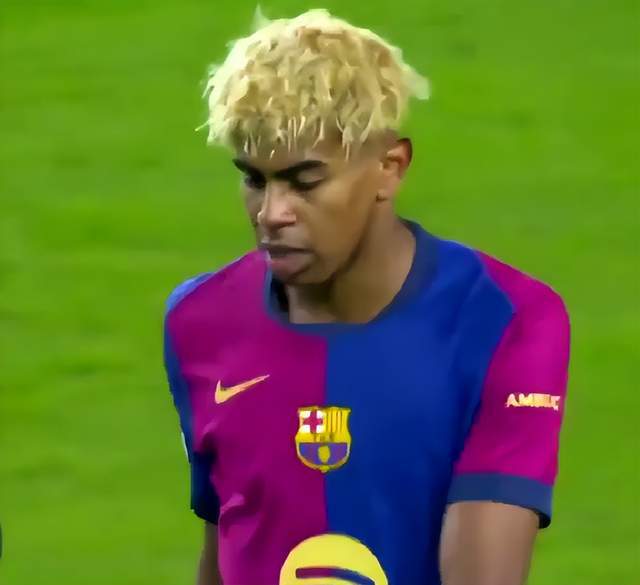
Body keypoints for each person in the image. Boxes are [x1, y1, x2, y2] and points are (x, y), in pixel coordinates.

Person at [163, 9, 571, 585]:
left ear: (389, 168)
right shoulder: (198, 320)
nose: (271, 214)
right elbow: (228, 540)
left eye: (304, 182)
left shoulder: (504, 319)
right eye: (254, 179)